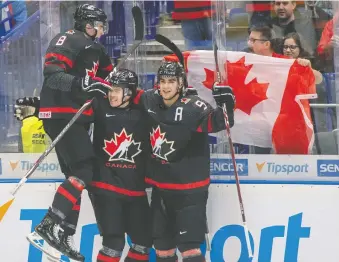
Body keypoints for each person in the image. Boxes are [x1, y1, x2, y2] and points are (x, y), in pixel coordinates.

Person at [26, 4, 113, 261]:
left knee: (76, 176)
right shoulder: (68, 39)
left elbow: (108, 80)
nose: (98, 29)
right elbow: (52, 75)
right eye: (95, 24)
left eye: (101, 25)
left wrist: (116, 80)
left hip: (78, 117)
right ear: (84, 23)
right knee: (85, 168)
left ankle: (64, 233)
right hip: (62, 114)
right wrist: (81, 83)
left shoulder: (96, 49)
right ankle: (49, 223)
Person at [135, 61, 235, 262]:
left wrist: (227, 104)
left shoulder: (194, 107)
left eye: (171, 81)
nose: (165, 86)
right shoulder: (150, 100)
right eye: (162, 81)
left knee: (189, 248)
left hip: (189, 192)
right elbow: (126, 96)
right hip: (161, 189)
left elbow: (221, 122)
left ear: (181, 83)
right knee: (162, 246)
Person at [90, 69, 152, 262]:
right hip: (107, 187)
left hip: (135, 190)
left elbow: (162, 101)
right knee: (113, 244)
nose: (111, 94)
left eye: (117, 90)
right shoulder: (99, 106)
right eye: (110, 89)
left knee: (143, 242)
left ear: (130, 92)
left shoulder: (144, 111)